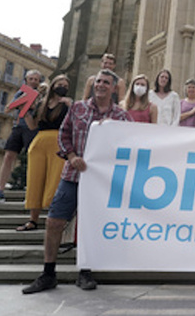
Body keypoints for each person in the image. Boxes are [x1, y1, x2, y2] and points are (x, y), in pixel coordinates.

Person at [22, 69, 132, 294]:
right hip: (72, 176)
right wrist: (71, 157)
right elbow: (64, 135)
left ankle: (85, 271)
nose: (100, 85)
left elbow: (132, 144)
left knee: (90, 226)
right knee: (54, 222)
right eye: (98, 81)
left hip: (102, 181)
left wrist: (115, 133)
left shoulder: (121, 117)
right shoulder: (78, 108)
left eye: (106, 82)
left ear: (113, 88)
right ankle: (48, 273)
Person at [16, 75, 72, 231]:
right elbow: (33, 126)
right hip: (39, 142)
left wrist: (71, 106)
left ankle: (52, 219)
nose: (63, 87)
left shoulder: (67, 105)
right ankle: (32, 220)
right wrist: (25, 112)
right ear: (53, 85)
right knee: (35, 180)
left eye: (66, 86)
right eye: (60, 84)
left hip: (58, 142)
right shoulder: (41, 104)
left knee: (54, 181)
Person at [0, 70, 42, 203]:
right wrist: (22, 101)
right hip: (18, 127)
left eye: (36, 79)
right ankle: (1, 189)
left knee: (32, 159)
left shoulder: (40, 94)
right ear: (26, 80)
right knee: (8, 156)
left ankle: (31, 190)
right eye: (31, 79)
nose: (33, 81)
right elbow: (8, 108)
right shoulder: (20, 92)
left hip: (31, 128)